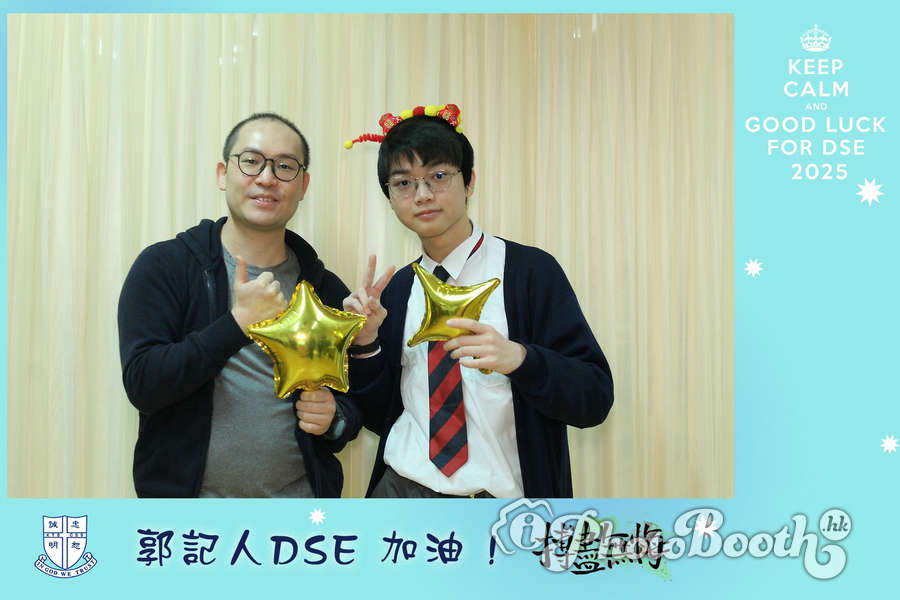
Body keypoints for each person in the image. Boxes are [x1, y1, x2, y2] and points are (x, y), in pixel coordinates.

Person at [344, 104, 614, 498]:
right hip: (402, 492)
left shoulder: (530, 273)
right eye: (403, 183)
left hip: (502, 507)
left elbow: (594, 399)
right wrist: (366, 344)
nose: (422, 195)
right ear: (389, 197)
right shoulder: (398, 290)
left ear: (469, 181)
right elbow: (378, 416)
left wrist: (520, 359)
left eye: (438, 176)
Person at [118, 112, 360, 498]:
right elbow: (144, 385)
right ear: (222, 174)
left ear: (303, 186)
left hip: (299, 515)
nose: (266, 178)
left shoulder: (322, 289)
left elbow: (354, 404)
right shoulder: (166, 267)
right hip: (189, 515)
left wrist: (334, 418)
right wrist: (236, 324)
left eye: (285, 166)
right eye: (251, 161)